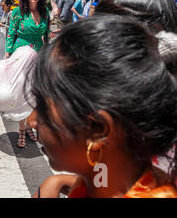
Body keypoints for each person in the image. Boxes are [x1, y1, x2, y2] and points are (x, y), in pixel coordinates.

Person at [29, 16, 176, 198]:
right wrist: (56, 181)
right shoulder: (104, 172)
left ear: (97, 129)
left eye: (43, 107)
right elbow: (101, 178)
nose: (32, 121)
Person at [6, 0, 50, 148]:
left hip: (38, 54)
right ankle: (22, 131)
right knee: (22, 94)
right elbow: (11, 33)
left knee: (35, 94)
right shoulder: (18, 12)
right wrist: (8, 54)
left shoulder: (45, 12)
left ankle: (31, 126)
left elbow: (46, 35)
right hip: (21, 53)